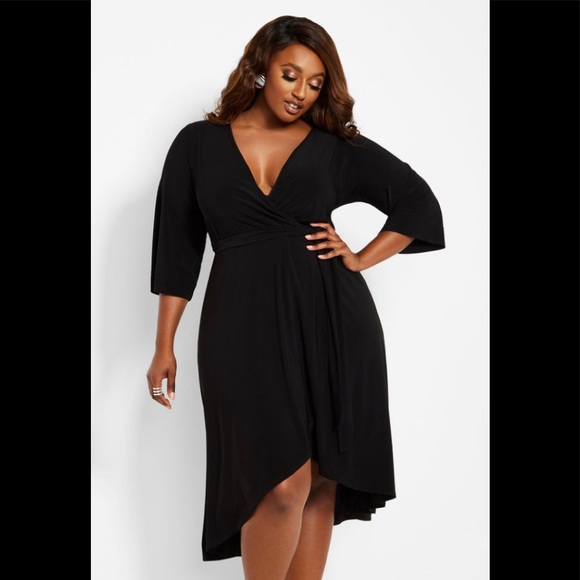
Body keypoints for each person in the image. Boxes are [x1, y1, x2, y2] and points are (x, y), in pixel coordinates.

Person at [146, 14, 445, 579]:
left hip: (333, 320)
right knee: (280, 484)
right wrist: (165, 345)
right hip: (239, 326)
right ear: (261, 68)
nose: (302, 92)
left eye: (315, 83)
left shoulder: (333, 147)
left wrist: (360, 257)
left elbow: (417, 202)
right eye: (291, 75)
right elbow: (177, 250)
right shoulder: (196, 144)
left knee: (320, 479)